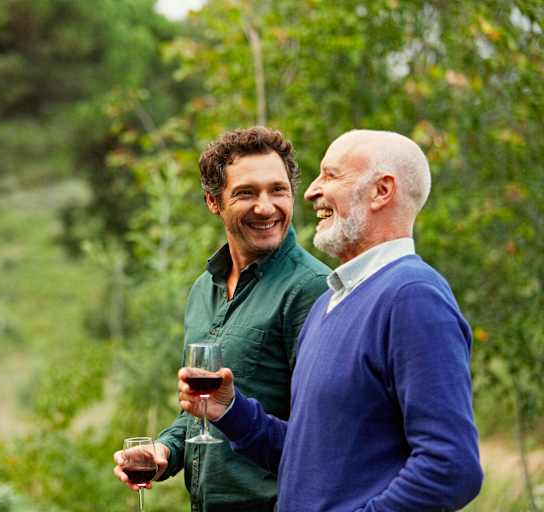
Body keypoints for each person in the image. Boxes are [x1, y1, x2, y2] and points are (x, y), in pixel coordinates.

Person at [178, 129, 484, 511]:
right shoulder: (332, 301)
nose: (309, 192)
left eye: (332, 175)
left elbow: (451, 467)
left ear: (381, 191)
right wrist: (231, 411)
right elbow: (307, 461)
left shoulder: (412, 295)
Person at [114, 126, 330, 511]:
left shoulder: (310, 289)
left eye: (278, 190)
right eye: (246, 193)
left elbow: (321, 442)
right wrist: (165, 449)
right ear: (213, 202)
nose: (266, 207)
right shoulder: (203, 289)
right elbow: (200, 409)